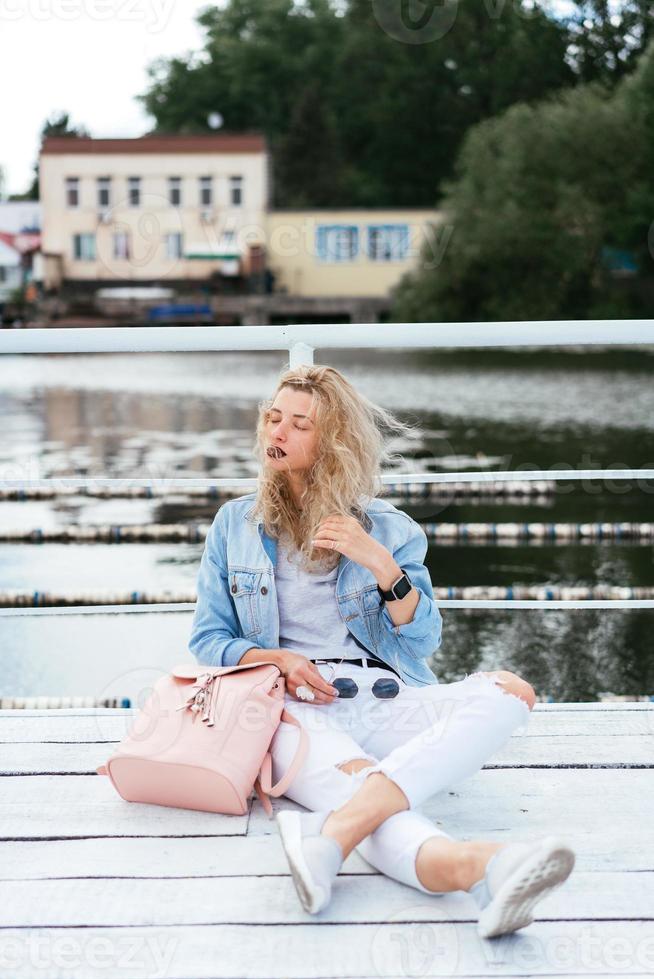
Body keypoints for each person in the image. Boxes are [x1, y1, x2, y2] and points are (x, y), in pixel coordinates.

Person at [189, 364, 575, 938]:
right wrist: (277, 659)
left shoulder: (390, 529)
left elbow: (424, 640)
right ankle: (484, 867)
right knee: (371, 795)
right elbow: (208, 640)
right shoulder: (235, 525)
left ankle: (330, 839)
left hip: (389, 698)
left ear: (334, 441)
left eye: (300, 424)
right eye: (274, 418)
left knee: (509, 694)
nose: (279, 432)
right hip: (296, 710)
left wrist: (380, 563)